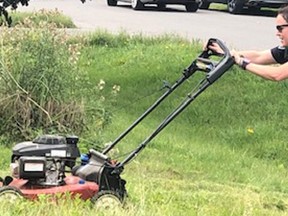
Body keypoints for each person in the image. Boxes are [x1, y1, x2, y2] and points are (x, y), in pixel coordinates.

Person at [208, 5, 288, 81]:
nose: (277, 33)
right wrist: (226, 53)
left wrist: (243, 63)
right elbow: (259, 56)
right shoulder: (284, 49)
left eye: (280, 28)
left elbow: (277, 74)